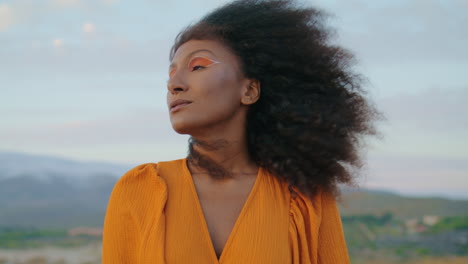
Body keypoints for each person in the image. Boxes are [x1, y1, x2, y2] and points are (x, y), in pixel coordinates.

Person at [102, 0, 378, 263]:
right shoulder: (140, 189)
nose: (174, 84)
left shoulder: (305, 197)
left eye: (198, 66)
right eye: (171, 74)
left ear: (249, 90)